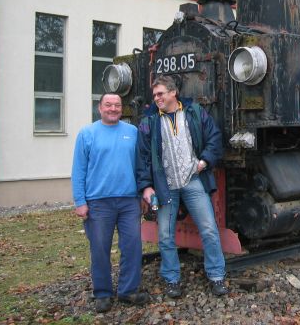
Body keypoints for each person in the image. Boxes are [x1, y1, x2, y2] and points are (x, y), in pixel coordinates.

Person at [136, 75, 229, 297]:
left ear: (173, 93)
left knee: (209, 229)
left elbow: (214, 137)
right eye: (155, 94)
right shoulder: (149, 122)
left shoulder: (194, 113)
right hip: (165, 187)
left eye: (160, 94)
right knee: (166, 236)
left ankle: (217, 276)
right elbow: (143, 158)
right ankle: (172, 279)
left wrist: (204, 161)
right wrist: (146, 187)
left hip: (192, 181)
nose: (156, 98)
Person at [71, 93, 149, 313]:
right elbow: (78, 170)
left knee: (132, 247)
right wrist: (80, 201)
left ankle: (128, 290)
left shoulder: (132, 132)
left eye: (117, 105)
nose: (113, 108)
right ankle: (103, 294)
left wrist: (142, 193)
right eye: (108, 105)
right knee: (100, 249)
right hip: (98, 203)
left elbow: (140, 166)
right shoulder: (87, 134)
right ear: (100, 107)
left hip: (129, 201)